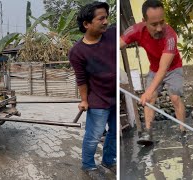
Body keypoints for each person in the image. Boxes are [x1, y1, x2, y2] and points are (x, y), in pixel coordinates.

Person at [120, 0, 186, 142]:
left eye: (162, 22)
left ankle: (182, 131)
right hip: (154, 68)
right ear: (144, 21)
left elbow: (164, 68)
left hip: (173, 68)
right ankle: (148, 133)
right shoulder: (136, 30)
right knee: (150, 99)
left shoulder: (170, 36)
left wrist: (148, 91)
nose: (159, 28)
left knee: (174, 97)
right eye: (154, 24)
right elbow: (117, 44)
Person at [69, 1, 116, 177]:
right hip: (98, 99)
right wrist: (84, 100)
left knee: (113, 132)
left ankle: (109, 161)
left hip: (115, 97)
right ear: (87, 24)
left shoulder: (112, 34)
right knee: (94, 136)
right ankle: (88, 165)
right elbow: (81, 79)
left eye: (106, 17)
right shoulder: (77, 51)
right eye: (101, 18)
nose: (106, 22)